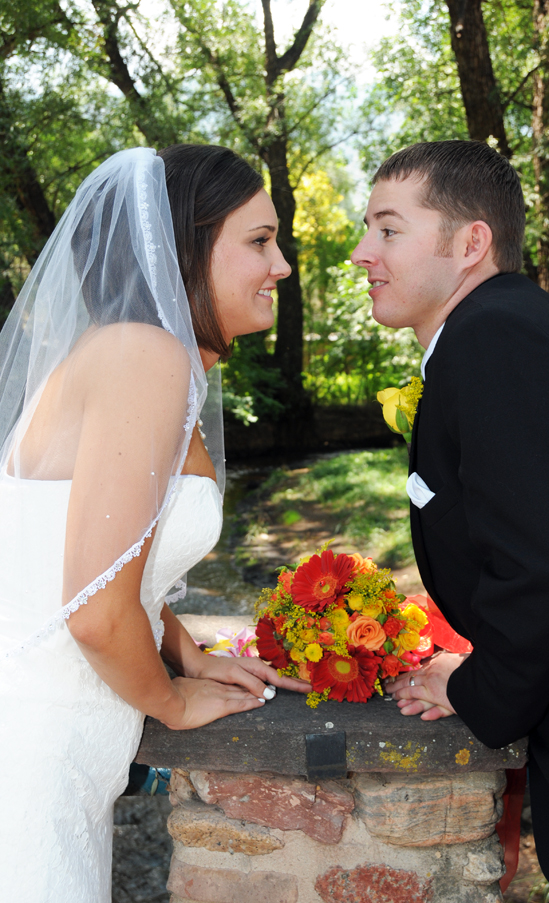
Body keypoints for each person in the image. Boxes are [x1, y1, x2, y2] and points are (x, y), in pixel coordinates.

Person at [0, 144, 308, 901]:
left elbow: (97, 553)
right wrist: (171, 700)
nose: (283, 267)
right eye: (259, 241)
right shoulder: (145, 355)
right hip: (35, 745)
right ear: (185, 246)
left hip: (59, 744)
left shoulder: (127, 353)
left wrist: (184, 648)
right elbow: (98, 612)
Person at [351, 140, 549, 901]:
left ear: (470, 243)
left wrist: (478, 690)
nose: (363, 253)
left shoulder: (497, 340)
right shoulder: (498, 328)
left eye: (389, 230)